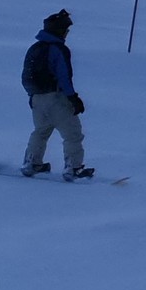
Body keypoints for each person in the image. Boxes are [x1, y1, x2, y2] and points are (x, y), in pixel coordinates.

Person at [20, 10, 93, 181]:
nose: (67, 33)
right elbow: (64, 76)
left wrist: (33, 96)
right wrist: (73, 98)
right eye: (65, 30)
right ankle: (73, 167)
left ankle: (31, 163)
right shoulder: (58, 49)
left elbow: (25, 76)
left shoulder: (35, 48)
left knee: (40, 131)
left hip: (37, 98)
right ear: (59, 30)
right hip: (56, 97)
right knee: (72, 134)